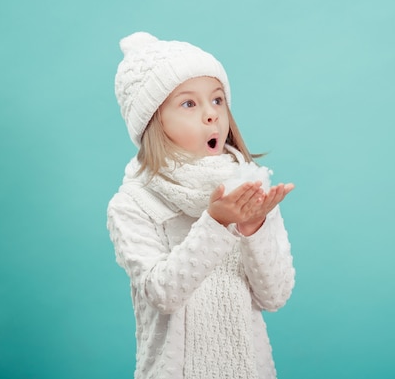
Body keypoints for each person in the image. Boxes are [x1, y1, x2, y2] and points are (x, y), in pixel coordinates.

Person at [107, 31, 295, 379]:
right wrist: (216, 223)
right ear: (153, 121)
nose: (212, 115)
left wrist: (253, 228)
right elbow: (161, 293)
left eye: (218, 100)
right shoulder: (133, 203)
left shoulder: (249, 189)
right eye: (189, 103)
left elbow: (275, 296)